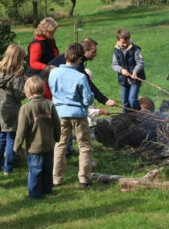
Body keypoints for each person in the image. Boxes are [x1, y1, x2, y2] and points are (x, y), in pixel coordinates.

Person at [49, 43, 94, 188]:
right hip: (78, 115)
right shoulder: (81, 77)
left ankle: (56, 179)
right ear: (80, 58)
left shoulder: (53, 73)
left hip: (60, 113)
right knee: (84, 146)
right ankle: (84, 178)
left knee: (60, 145)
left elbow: (52, 91)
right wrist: (90, 97)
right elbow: (87, 100)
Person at [14, 76, 61, 199]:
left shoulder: (25, 109)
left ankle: (34, 195)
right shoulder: (49, 104)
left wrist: (17, 147)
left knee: (35, 171)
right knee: (47, 169)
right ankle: (47, 190)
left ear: (27, 92)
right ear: (43, 90)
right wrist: (57, 138)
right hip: (49, 144)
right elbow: (57, 123)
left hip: (34, 147)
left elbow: (21, 130)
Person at [0, 44, 26, 175]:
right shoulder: (16, 75)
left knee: (1, 137)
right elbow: (20, 94)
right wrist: (25, 83)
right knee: (11, 138)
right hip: (11, 109)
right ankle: (8, 168)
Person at [111, 29, 145, 112]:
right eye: (123, 43)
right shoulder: (116, 50)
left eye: (127, 42)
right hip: (124, 80)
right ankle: (126, 118)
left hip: (135, 79)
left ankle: (139, 115)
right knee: (125, 103)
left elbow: (140, 62)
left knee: (132, 100)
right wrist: (121, 70)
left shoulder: (135, 49)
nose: (125, 44)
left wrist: (135, 71)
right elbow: (114, 65)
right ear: (117, 40)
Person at [84, 69, 111, 139]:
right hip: (87, 125)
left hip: (91, 122)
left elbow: (89, 106)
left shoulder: (86, 90)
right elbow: (87, 112)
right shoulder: (83, 93)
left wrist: (95, 107)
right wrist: (102, 111)